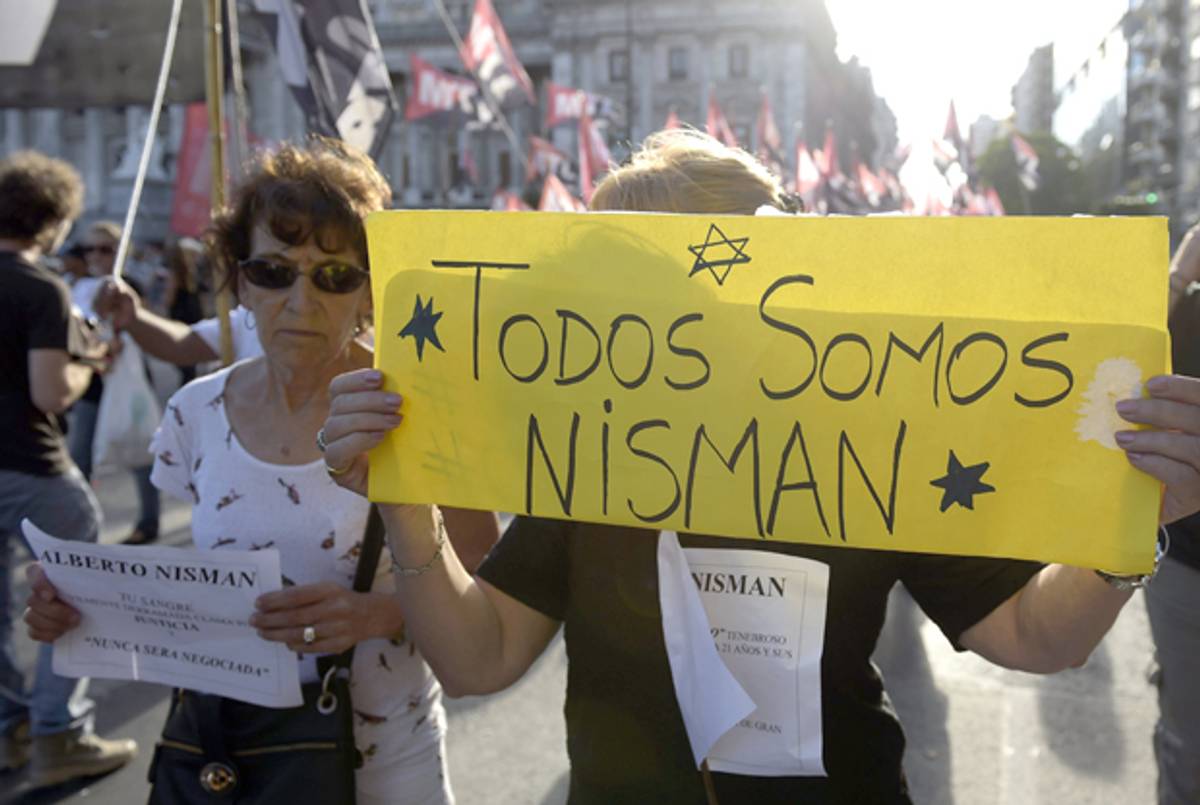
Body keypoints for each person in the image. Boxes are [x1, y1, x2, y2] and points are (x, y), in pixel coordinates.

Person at [316, 130, 1200, 803]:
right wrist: (407, 500)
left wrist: (1133, 526)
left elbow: (1037, 635)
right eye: (629, 285)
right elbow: (479, 658)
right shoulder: (591, 448)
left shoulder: (867, 429)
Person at [25, 137, 498, 804]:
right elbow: (195, 592)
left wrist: (374, 613)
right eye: (275, 271)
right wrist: (78, 611)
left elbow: (486, 576)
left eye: (333, 275)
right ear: (240, 280)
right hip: (236, 753)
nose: (301, 301)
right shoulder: (196, 410)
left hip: (389, 758)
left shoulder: (420, 408)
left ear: (369, 291)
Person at [0, 150, 137, 787]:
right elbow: (51, 393)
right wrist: (92, 364)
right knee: (74, 592)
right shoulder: (41, 288)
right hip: (33, 465)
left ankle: (10, 729)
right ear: (52, 222)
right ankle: (61, 732)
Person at [1146, 222, 1200, 804]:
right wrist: (1181, 272)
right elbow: (1120, 346)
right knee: (1190, 746)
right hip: (1187, 562)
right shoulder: (1187, 304)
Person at [68, 221, 162, 546]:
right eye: (88, 249)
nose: (95, 255)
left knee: (141, 451)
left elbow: (143, 329)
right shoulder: (78, 285)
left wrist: (119, 333)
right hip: (91, 382)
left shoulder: (128, 284)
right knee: (80, 457)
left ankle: (149, 521)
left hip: (129, 380)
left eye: (104, 248)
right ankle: (78, 528)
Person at [160, 238, 206, 384]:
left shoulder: (176, 273)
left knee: (185, 357)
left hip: (181, 316)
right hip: (192, 315)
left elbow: (169, 298)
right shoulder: (191, 272)